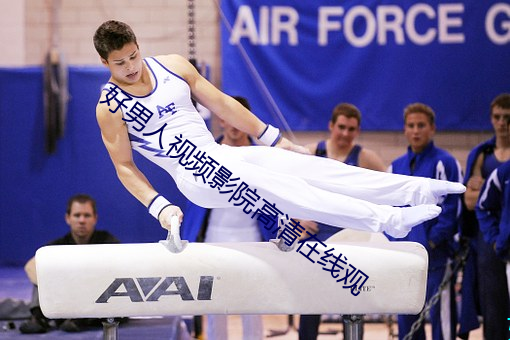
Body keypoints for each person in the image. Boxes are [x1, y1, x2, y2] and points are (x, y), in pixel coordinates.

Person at [93, 20, 464, 252]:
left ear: (139, 46)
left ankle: (412, 190)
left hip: (223, 155)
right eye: (119, 63)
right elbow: (124, 167)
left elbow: (222, 103)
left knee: (313, 169)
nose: (130, 68)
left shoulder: (172, 66)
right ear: (105, 63)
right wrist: (160, 206)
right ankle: (384, 219)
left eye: (133, 56)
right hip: (194, 175)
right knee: (292, 192)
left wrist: (273, 139)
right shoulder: (110, 107)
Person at [181, 96, 271, 340]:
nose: (233, 125)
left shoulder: (261, 157)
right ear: (221, 120)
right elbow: (194, 201)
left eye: (238, 119)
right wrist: (187, 239)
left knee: (253, 305)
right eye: (228, 118)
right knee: (215, 305)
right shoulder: (206, 155)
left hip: (253, 238)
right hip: (214, 239)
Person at [298, 102, 386, 340]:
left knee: (353, 301)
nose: (345, 134)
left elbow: (389, 192)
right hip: (316, 236)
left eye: (351, 129)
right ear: (331, 126)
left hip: (351, 240)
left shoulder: (366, 158)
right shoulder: (310, 153)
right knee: (310, 303)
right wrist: (298, 218)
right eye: (342, 127)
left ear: (357, 131)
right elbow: (283, 191)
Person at [387, 103, 462, 340]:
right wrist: (395, 243)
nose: (416, 131)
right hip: (405, 259)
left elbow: (452, 209)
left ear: (432, 129)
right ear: (405, 130)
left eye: (421, 125)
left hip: (436, 257)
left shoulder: (445, 163)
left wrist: (432, 242)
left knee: (442, 321)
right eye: (411, 126)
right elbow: (388, 209)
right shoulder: (395, 167)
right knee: (407, 321)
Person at [19, 194, 120, 334]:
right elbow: (30, 266)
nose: (82, 220)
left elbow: (118, 270)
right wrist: (60, 283)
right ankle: (38, 318)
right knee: (42, 270)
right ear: (68, 218)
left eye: (87, 215)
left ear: (95, 218)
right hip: (65, 298)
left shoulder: (108, 242)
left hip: (96, 301)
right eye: (77, 215)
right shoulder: (57, 246)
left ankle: (80, 319)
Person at [460, 93, 510, 340]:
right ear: (491, 119)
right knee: (493, 304)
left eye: (507, 118)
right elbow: (469, 202)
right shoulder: (482, 154)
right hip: (489, 238)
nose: (502, 123)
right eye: (497, 117)